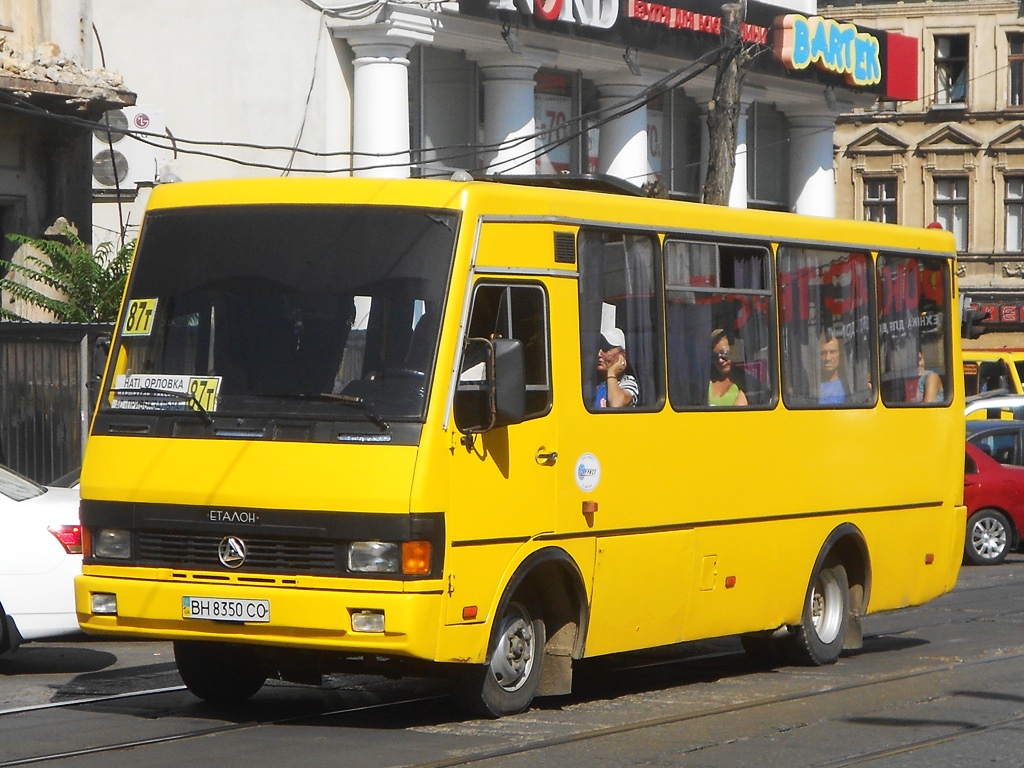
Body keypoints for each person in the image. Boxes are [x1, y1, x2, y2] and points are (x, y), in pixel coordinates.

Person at [594, 328, 639, 408]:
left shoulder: (627, 381)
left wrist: (611, 374)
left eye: (605, 348)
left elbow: (616, 404)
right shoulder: (591, 381)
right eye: (598, 347)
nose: (599, 354)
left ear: (622, 356)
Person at [708, 329, 748, 406]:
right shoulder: (706, 382)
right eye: (715, 356)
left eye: (724, 353)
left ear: (734, 352)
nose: (720, 361)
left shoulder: (744, 383)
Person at [819, 330, 847, 405]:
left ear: (840, 354)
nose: (828, 358)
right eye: (823, 353)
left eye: (832, 352)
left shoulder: (848, 385)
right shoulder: (812, 387)